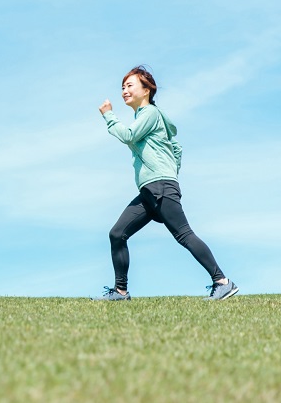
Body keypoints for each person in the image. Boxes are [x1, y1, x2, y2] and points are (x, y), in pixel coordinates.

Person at [93, 65, 238, 301]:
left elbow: (128, 136)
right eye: (122, 87)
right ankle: (120, 292)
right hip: (150, 190)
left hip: (160, 186)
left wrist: (108, 115)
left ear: (146, 90)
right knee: (117, 234)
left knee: (184, 235)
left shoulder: (149, 113)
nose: (124, 91)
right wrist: (170, 170)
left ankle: (222, 282)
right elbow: (177, 148)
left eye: (129, 86)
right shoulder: (147, 117)